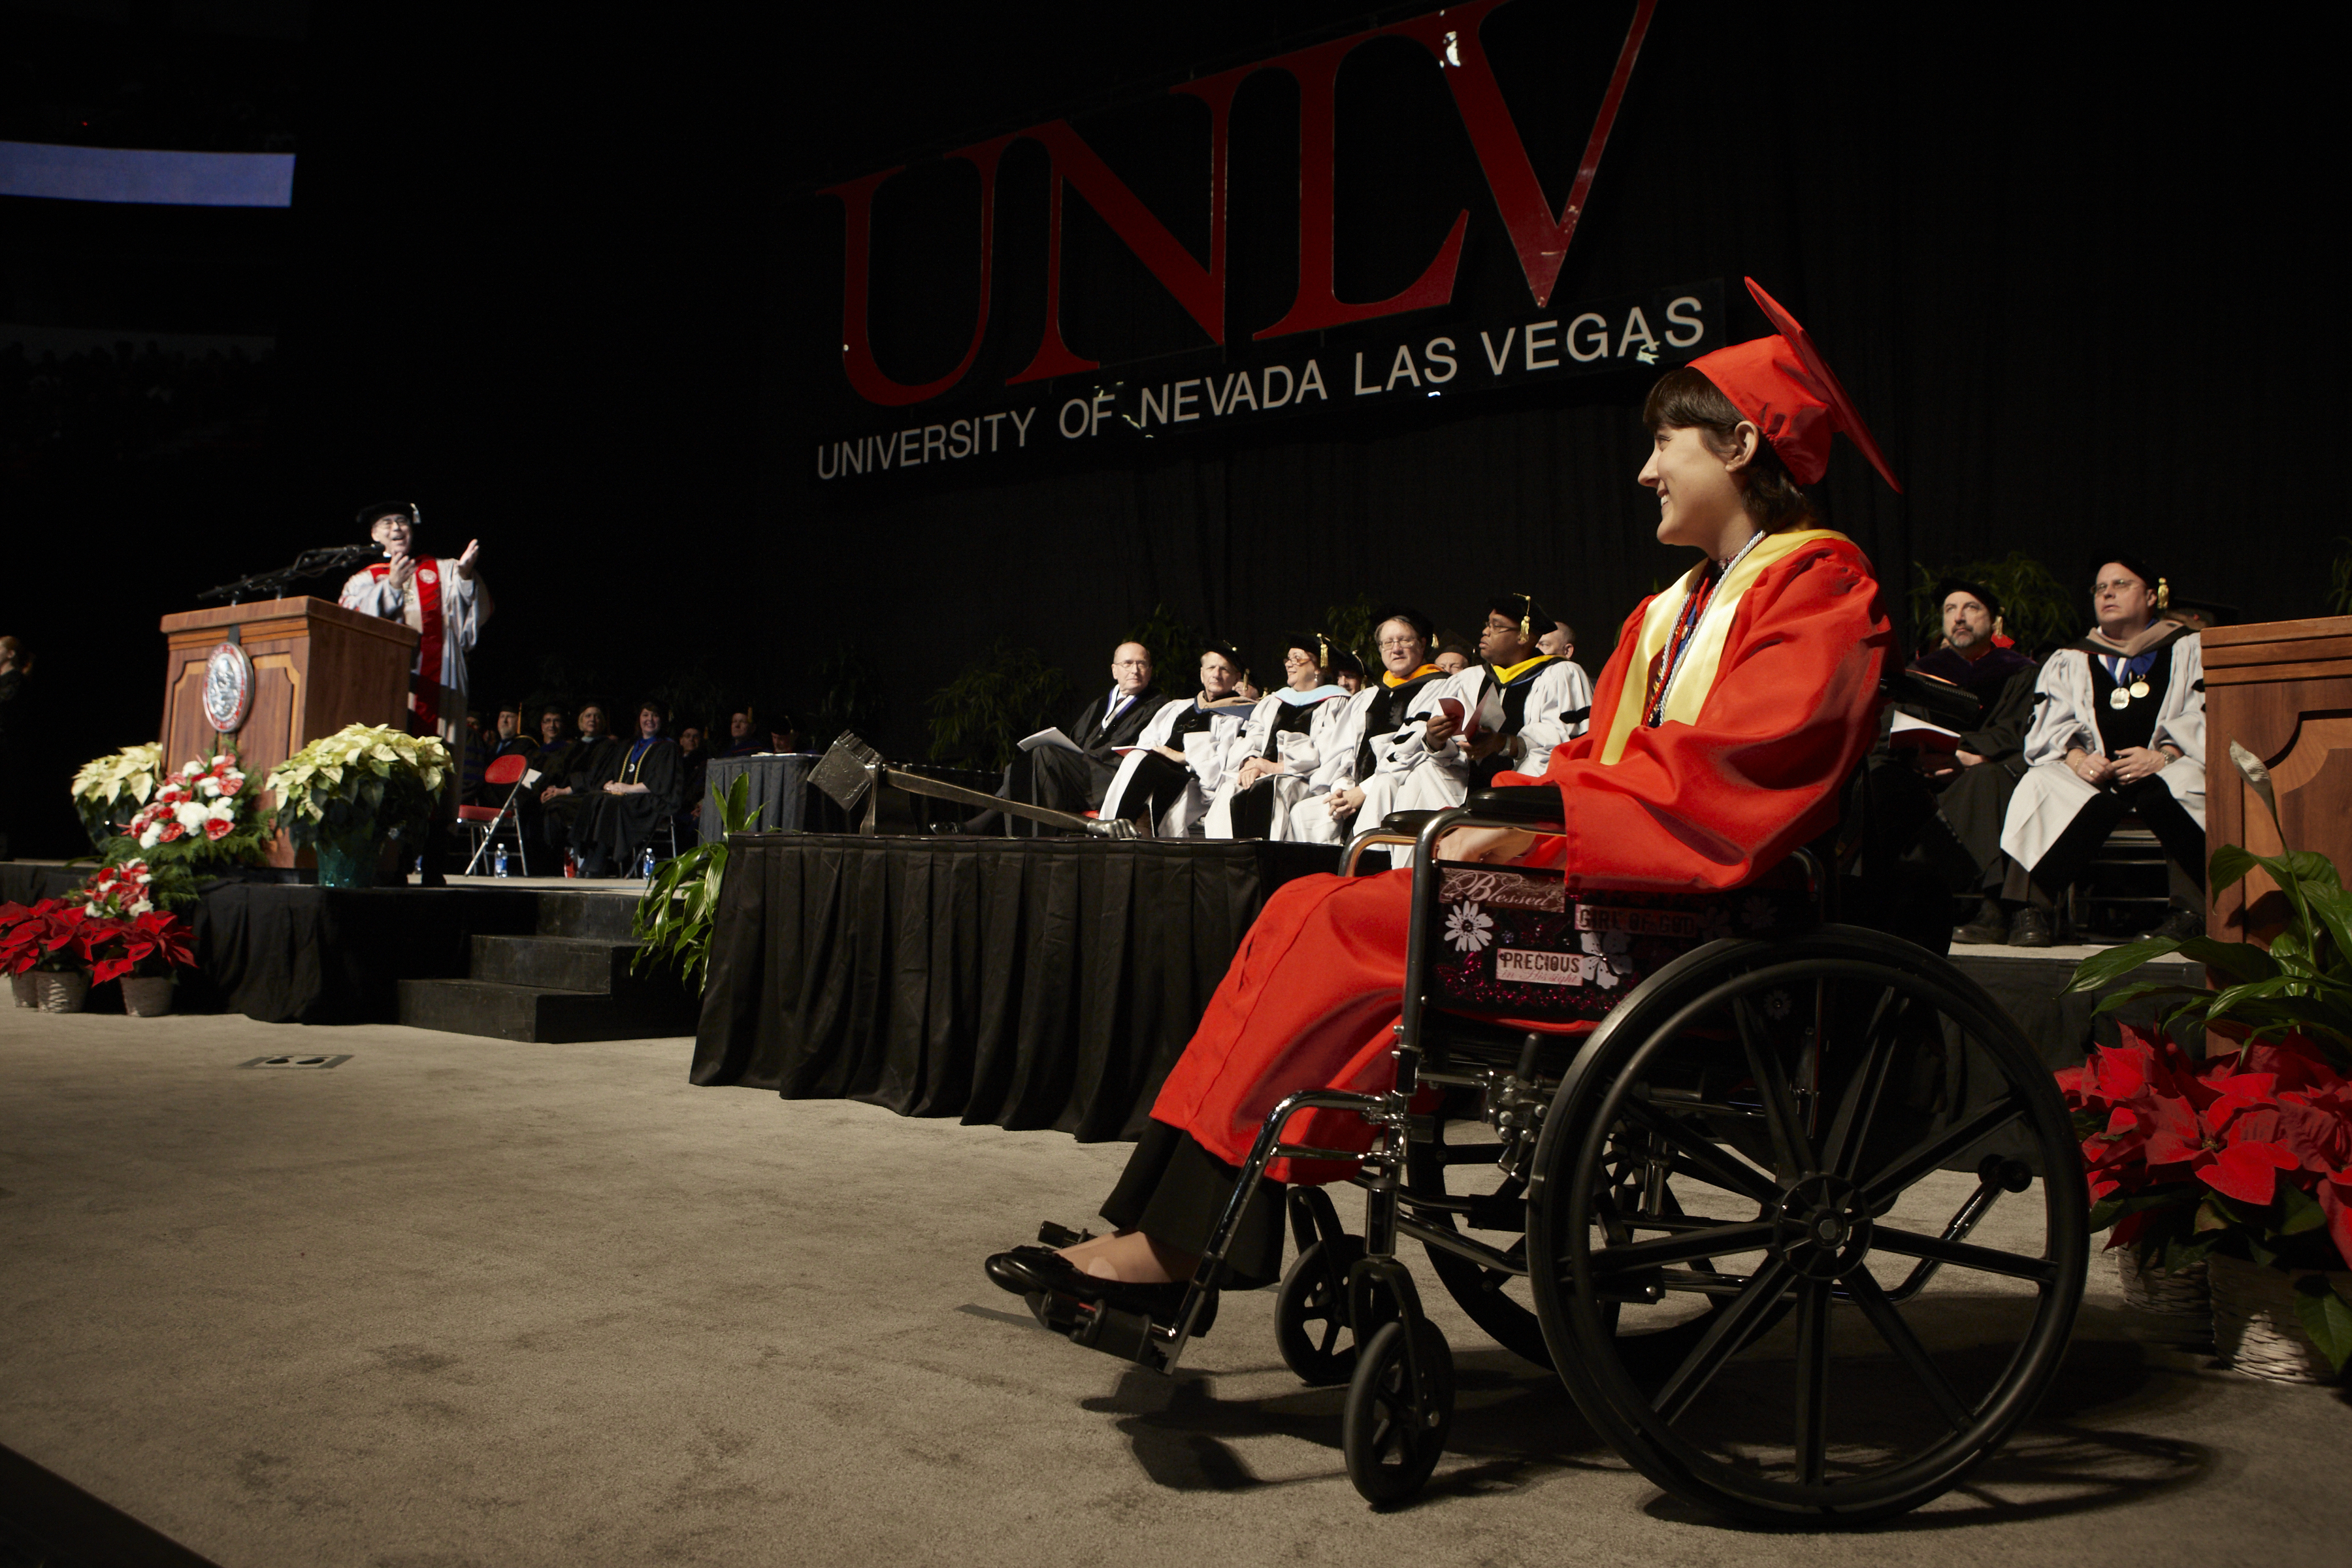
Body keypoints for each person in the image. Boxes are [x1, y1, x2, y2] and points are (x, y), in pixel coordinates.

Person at [985, 278, 1899, 1313]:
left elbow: (1741, 768)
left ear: (1739, 446)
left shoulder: (1822, 588)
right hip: (1611, 878)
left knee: (1339, 927)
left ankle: (1184, 1243)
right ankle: (1169, 1221)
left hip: (1689, 914)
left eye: (1663, 445)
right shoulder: (1673, 608)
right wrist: (1522, 814)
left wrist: (1537, 822)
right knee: (1295, 907)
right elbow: (1595, 753)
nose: (1645, 470)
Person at [1990, 557, 2205, 946]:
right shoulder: (2071, 658)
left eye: (2121, 584)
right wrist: (2078, 760)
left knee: (2191, 783)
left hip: (2165, 763)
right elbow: (2051, 723)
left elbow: (2203, 711)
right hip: (2093, 770)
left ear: (2152, 596)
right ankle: (2031, 911)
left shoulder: (2189, 647)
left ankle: (2192, 914)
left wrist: (2165, 754)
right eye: (2100, 588)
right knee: (2039, 784)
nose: (2107, 593)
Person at [960, 642, 1162, 834]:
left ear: (1150, 671)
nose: (1135, 670)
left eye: (1141, 664)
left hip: (1113, 777)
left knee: (1046, 756)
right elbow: (1076, 739)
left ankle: (988, 827)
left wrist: (1075, 759)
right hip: (1082, 773)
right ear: (1114, 671)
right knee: (1028, 763)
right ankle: (1007, 832)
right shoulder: (1100, 705)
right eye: (1127, 663)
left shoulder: (1158, 706)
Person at [1285, 610, 1446, 845]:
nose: (1396, 649)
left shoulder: (1438, 688)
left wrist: (1363, 791)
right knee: (1304, 814)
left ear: (1422, 644)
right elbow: (1341, 752)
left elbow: (1414, 751)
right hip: (1355, 792)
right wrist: (1343, 790)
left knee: (1381, 798)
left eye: (1404, 640)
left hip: (1402, 792)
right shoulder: (1367, 697)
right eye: (1388, 643)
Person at [337, 502, 491, 749]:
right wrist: (391, 587)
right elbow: (350, 623)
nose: (397, 528)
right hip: (388, 682)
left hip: (441, 682)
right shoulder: (363, 580)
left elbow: (473, 615)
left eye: (402, 521)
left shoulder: (443, 570)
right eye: (387, 523)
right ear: (374, 534)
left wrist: (464, 578)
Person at [1200, 636, 1352, 840]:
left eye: (1297, 658)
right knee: (1229, 790)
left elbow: (1327, 754)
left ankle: (1266, 859)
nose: (1289, 664)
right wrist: (1251, 762)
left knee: (1275, 791)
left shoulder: (1336, 703)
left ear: (1319, 667)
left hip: (1302, 780)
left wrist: (1274, 767)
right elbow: (1254, 735)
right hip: (1262, 774)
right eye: (1288, 658)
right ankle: (1224, 857)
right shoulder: (1274, 700)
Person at [1098, 645, 1256, 835]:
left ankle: (1118, 834)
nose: (1216, 674)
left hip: (1197, 784)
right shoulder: (1177, 708)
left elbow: (1225, 768)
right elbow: (1147, 741)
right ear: (1202, 674)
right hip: (1156, 772)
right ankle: (1108, 829)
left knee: (1152, 786)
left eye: (1224, 669)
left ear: (1237, 677)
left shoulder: (1244, 716)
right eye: (1211, 668)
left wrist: (1181, 756)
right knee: (1136, 757)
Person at [570, 702, 684, 875]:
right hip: (626, 796)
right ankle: (588, 853)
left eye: (655, 716)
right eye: (645, 715)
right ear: (639, 719)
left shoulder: (668, 747)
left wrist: (628, 788)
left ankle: (600, 856)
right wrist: (608, 785)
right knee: (594, 797)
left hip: (651, 801)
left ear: (661, 720)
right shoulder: (628, 745)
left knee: (613, 803)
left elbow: (661, 783)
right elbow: (609, 774)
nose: (650, 720)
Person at [536, 703, 621, 860]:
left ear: (602, 723)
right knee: (540, 806)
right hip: (566, 796)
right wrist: (551, 789)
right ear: (581, 722)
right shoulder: (573, 747)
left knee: (554, 810)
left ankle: (564, 859)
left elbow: (596, 777)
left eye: (597, 716)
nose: (592, 719)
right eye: (588, 716)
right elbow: (558, 772)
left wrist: (565, 791)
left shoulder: (608, 747)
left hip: (587, 796)